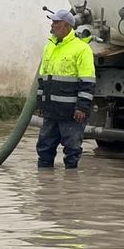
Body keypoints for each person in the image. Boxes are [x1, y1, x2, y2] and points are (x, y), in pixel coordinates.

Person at [36, 9, 95, 170]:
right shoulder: (49, 46)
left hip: (72, 112)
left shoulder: (81, 49)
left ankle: (71, 182)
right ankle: (45, 182)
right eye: (52, 22)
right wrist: (41, 104)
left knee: (72, 149)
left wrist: (82, 107)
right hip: (51, 110)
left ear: (67, 25)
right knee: (44, 147)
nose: (52, 25)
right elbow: (43, 78)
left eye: (56, 22)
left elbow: (87, 81)